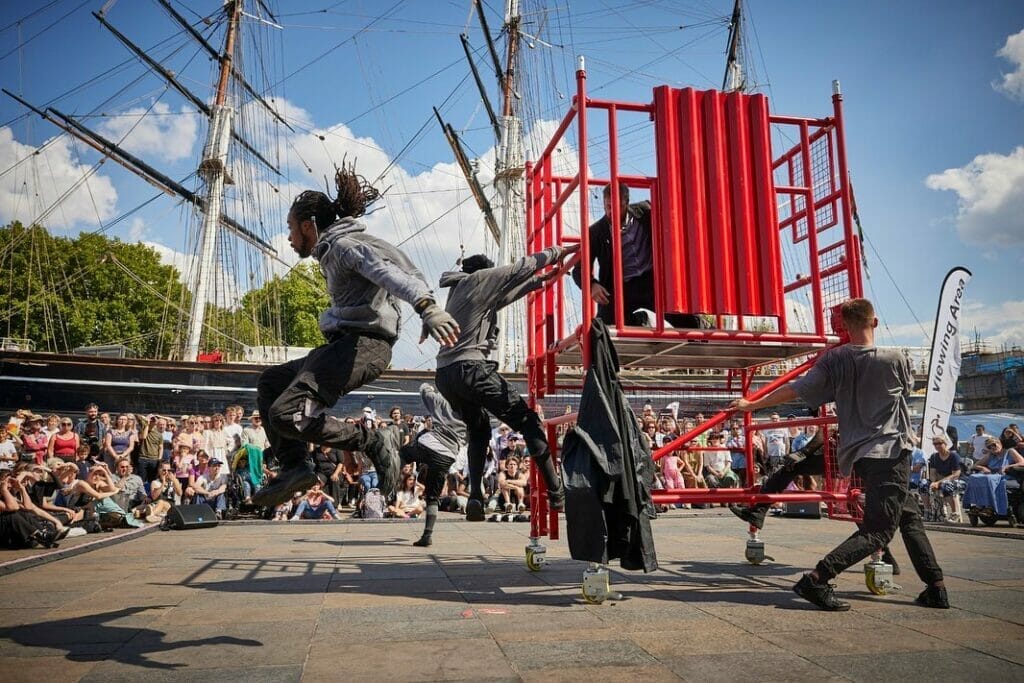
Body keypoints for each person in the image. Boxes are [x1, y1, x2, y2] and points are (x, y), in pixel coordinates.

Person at [251, 163, 460, 507]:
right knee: (272, 381)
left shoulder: (346, 247)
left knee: (285, 414)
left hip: (364, 347)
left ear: (308, 226)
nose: (289, 238)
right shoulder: (334, 250)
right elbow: (399, 268)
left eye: (291, 229)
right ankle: (295, 467)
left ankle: (372, 440)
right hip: (344, 345)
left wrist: (427, 307)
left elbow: (390, 272)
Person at [730, 298, 948, 611]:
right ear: (875, 322)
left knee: (908, 515)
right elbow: (907, 389)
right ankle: (817, 579)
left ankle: (935, 586)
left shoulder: (834, 361)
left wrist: (751, 404)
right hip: (891, 450)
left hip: (859, 453)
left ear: (844, 327)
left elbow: (796, 389)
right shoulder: (896, 358)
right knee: (879, 530)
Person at [433, 245, 577, 521]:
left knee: (478, 432)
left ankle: (475, 496)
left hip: (446, 374)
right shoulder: (479, 279)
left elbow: (505, 295)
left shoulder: (460, 291)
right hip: (470, 368)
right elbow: (518, 268)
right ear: (484, 272)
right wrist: (559, 252)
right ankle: (557, 493)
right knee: (529, 422)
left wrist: (540, 281)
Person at [571, 182, 701, 328]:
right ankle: (638, 320)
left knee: (686, 321)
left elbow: (672, 218)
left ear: (626, 203)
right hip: (622, 287)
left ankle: (701, 335)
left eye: (617, 206)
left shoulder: (645, 211)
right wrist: (592, 285)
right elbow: (578, 269)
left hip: (652, 281)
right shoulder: (595, 232)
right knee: (600, 328)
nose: (611, 212)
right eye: (608, 206)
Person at [400, 383, 466, 547]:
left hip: (430, 445)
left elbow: (425, 393)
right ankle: (427, 535)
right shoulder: (471, 409)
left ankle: (390, 479)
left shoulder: (442, 400)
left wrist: (427, 386)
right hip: (447, 456)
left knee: (404, 453)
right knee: (432, 497)